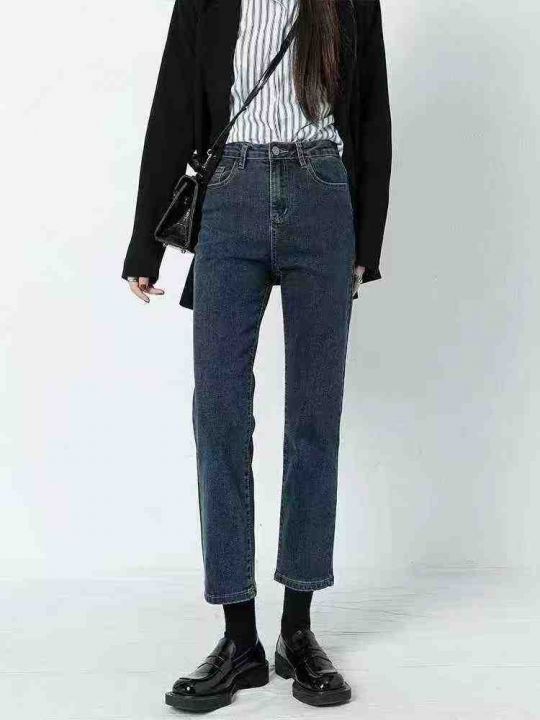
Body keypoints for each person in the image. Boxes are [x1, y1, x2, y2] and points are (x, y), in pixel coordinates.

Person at [121, 0, 391, 711]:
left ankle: (297, 630)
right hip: (229, 198)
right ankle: (238, 639)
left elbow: (372, 115)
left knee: (313, 423)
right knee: (218, 418)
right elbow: (173, 106)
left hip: (322, 197)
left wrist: (366, 244)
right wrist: (145, 244)